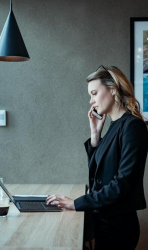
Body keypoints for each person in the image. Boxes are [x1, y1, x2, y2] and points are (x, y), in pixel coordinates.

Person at [46, 66, 148, 250]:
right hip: (103, 222)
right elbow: (97, 176)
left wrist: (76, 203)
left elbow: (122, 184)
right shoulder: (113, 126)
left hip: (119, 228)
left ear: (113, 89)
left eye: (94, 93)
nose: (91, 101)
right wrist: (95, 134)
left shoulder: (133, 126)